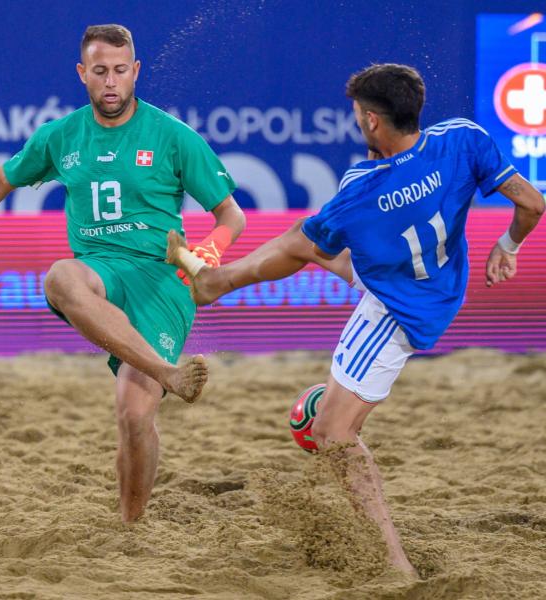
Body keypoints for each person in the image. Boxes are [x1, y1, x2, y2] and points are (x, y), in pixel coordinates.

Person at [167, 63, 545, 574]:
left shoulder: (362, 187)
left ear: (371, 121)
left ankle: (396, 564)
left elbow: (308, 241)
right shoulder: (464, 138)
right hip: (442, 282)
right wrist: (507, 246)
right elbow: (532, 203)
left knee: (331, 433)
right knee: (313, 241)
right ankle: (217, 282)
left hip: (397, 310)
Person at [0, 24, 245, 522]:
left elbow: (231, 215)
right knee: (61, 277)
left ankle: (130, 525)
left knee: (133, 415)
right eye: (101, 71)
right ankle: (166, 371)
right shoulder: (60, 136)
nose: (111, 82)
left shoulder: (173, 137)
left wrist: (210, 250)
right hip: (100, 271)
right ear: (83, 74)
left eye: (121, 71)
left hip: (161, 281)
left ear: (136, 72)